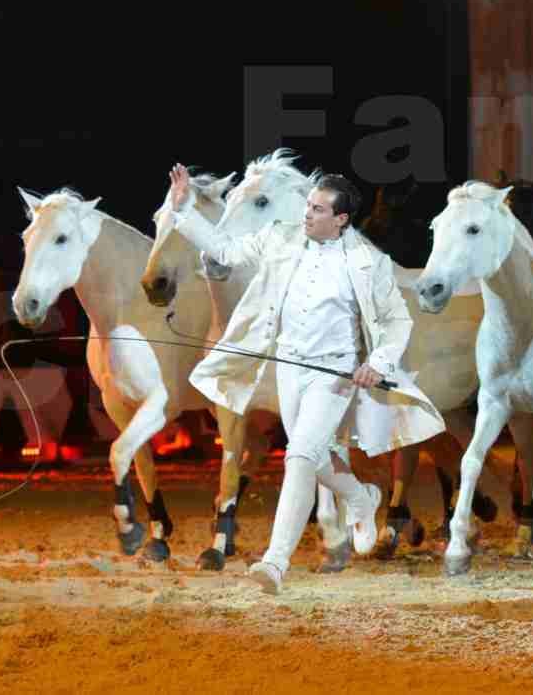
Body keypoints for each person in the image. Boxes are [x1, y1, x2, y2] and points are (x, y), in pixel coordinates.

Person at [163, 162, 443, 594]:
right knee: (312, 455)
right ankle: (360, 496)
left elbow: (397, 322)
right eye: (308, 206)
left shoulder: (368, 262)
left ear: (341, 219)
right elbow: (225, 251)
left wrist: (380, 363)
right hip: (288, 367)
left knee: (298, 457)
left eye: (317, 209)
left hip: (334, 375)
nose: (307, 214)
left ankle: (275, 562)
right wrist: (183, 212)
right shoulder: (279, 237)